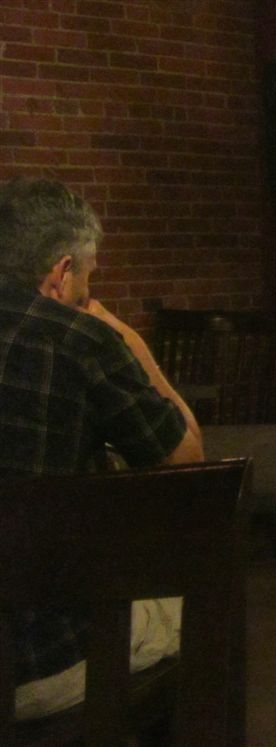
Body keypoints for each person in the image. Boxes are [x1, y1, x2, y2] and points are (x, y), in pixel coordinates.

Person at [0, 177, 204, 720]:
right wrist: (125, 335)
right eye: (88, 277)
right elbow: (185, 459)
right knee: (197, 600)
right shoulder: (78, 339)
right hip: (32, 660)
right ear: (61, 271)